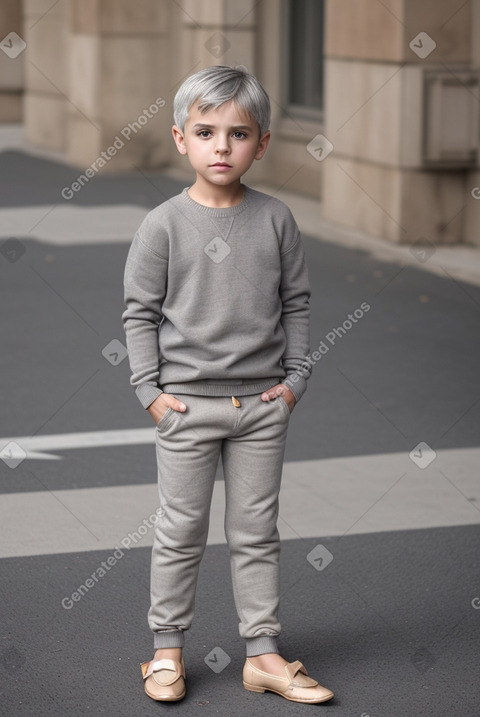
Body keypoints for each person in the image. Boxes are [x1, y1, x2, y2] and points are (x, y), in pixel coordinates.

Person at [122, 64, 334, 705]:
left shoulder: (276, 220)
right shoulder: (162, 225)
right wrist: (150, 394)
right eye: (206, 131)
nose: (222, 147)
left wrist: (295, 381)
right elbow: (139, 314)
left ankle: (262, 654)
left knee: (256, 532)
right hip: (186, 408)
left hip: (263, 408)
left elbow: (296, 303)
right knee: (180, 530)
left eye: (238, 134)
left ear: (262, 143)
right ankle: (166, 651)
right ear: (181, 138)